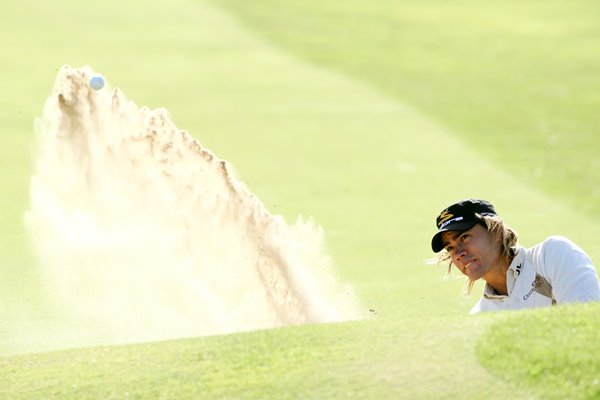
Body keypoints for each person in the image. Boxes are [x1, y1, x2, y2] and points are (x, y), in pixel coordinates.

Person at [430, 198, 600, 314]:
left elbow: (588, 324)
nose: (458, 253)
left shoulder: (553, 255)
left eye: (464, 237)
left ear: (495, 232)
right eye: (450, 248)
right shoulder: (479, 316)